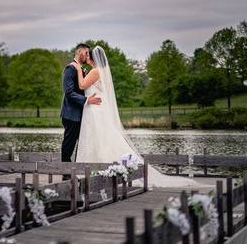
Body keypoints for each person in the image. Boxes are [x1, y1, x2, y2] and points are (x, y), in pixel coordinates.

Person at [73, 46, 198, 187]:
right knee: (97, 138)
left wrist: (78, 70)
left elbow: (82, 85)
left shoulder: (95, 71)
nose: (86, 57)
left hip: (95, 110)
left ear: (92, 58)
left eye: (88, 55)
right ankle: (95, 171)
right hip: (95, 108)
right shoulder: (99, 71)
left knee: (98, 138)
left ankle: (98, 171)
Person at [59, 43, 102, 164]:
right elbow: (69, 92)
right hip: (71, 113)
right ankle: (65, 172)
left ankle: (77, 169)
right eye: (86, 53)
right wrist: (87, 100)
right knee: (69, 143)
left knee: (83, 144)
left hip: (82, 114)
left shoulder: (82, 69)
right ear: (79, 52)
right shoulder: (70, 68)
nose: (88, 55)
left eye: (89, 53)